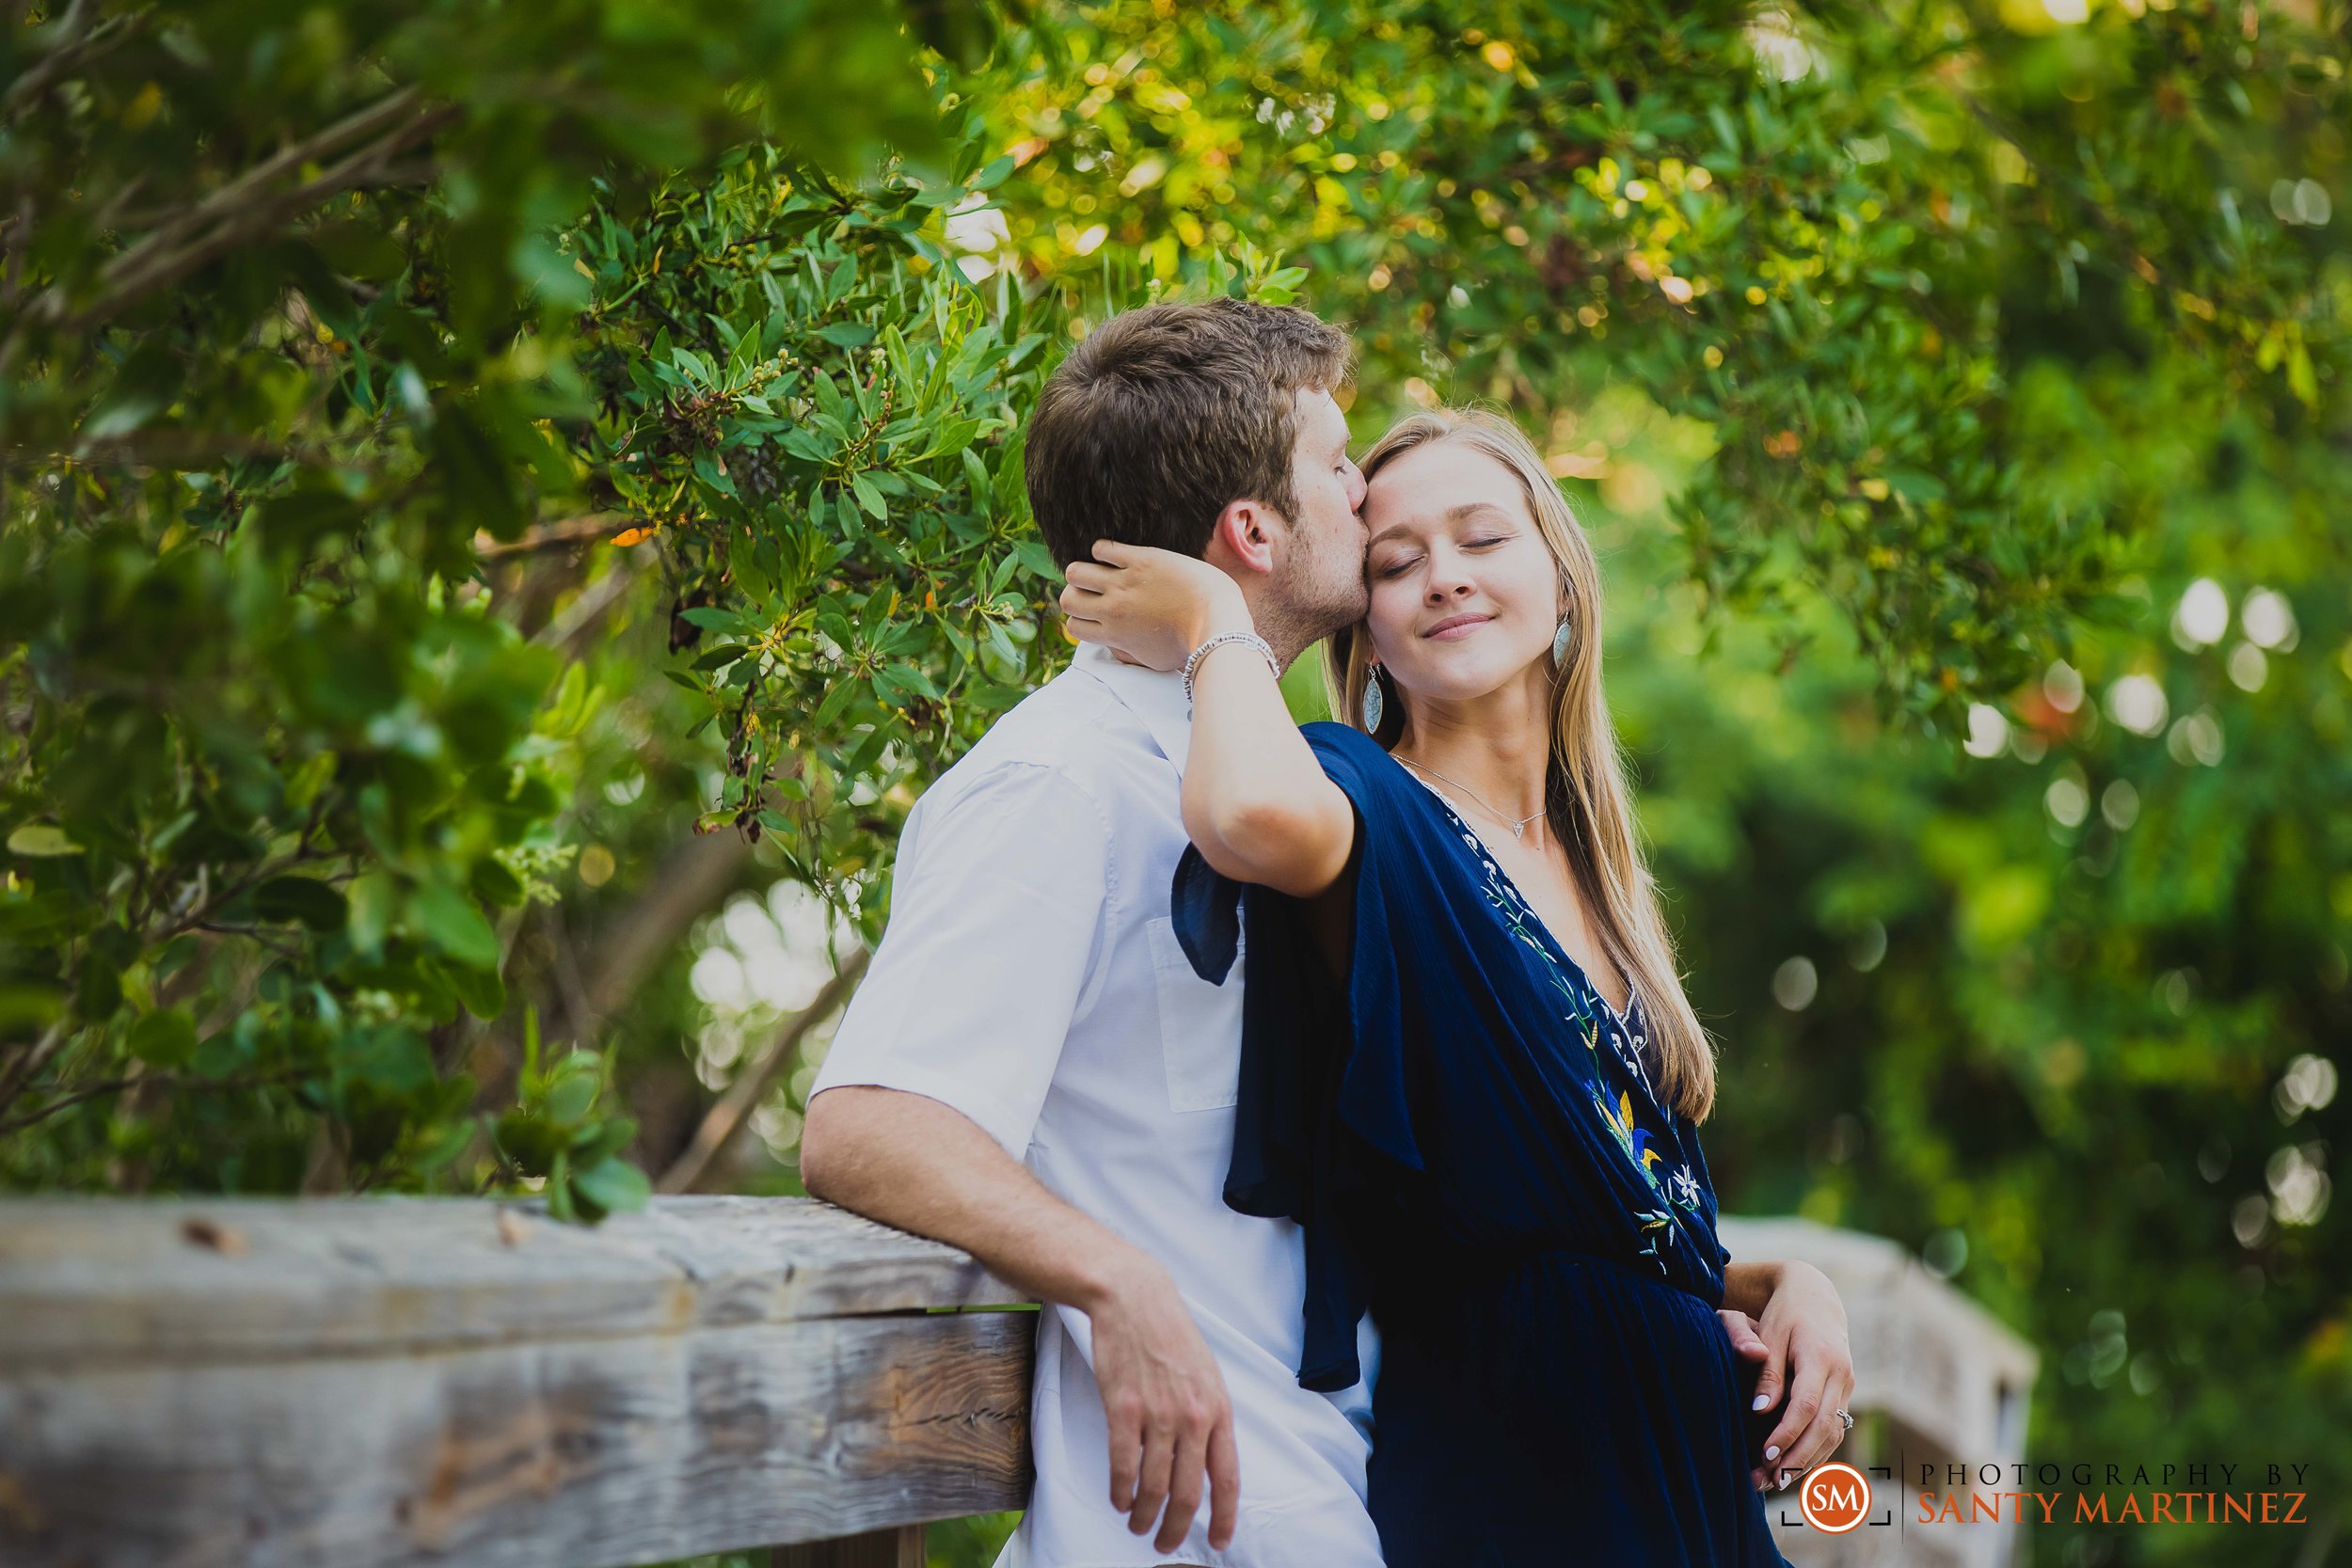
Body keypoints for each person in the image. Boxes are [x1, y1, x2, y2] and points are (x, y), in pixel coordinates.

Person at [802, 300, 1852, 1568]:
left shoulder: (1257, 768)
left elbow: (1475, 1180)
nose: (1367, 498)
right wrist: (1109, 1275)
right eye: (1344, 467)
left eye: (1477, 534)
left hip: (1351, 1478)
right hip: (1205, 1519)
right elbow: (867, 1119)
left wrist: (1753, 1279)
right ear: (1254, 528)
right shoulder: (1069, 783)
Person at [1056, 404, 1856, 1566]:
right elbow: (1235, 814)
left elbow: (1592, 1220)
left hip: (1688, 1486)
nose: (1444, 577)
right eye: (1396, 559)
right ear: (1366, 626)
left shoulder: (1603, 881)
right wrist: (1213, 617)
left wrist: (1793, 1278)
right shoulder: (1357, 794)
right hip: (1516, 1481)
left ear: (1563, 581)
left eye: (1482, 538)